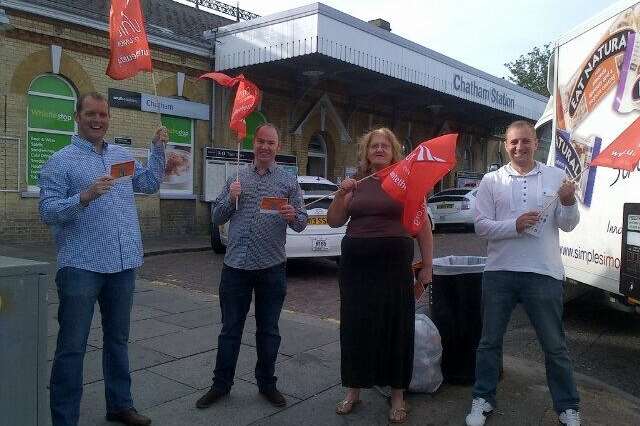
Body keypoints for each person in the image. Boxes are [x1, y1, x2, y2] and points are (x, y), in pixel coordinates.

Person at [39, 92, 167, 426]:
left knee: (117, 339)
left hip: (122, 264)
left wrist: (158, 149)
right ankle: (64, 419)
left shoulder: (121, 155)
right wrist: (84, 196)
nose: (98, 120)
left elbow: (150, 183)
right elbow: (47, 212)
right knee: (72, 346)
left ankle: (120, 405)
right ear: (77, 117)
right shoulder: (60, 162)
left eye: (103, 115)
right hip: (81, 265)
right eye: (91, 114)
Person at [465, 121, 581, 426]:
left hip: (544, 273)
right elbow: (481, 226)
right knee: (489, 342)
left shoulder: (556, 176)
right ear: (506, 144)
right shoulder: (491, 181)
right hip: (499, 272)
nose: (520, 147)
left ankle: (568, 406)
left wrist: (568, 202)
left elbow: (568, 224)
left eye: (526, 141)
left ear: (536, 143)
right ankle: (482, 399)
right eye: (514, 142)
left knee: (554, 345)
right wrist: (514, 225)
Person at [196, 123, 307, 409]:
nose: (265, 147)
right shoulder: (236, 176)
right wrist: (231, 198)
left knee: (268, 330)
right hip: (235, 268)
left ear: (278, 147)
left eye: (271, 143)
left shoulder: (288, 182)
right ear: (253, 144)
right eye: (261, 141)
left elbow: (301, 222)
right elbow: (217, 218)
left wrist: (292, 213)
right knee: (230, 330)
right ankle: (220, 385)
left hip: (271, 268)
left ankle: (267, 384)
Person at [327, 127, 433, 424]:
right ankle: (354, 389)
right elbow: (335, 221)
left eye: (385, 145)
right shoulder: (358, 183)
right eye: (374, 145)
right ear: (366, 151)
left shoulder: (405, 181)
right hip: (356, 267)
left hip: (394, 267)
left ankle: (398, 394)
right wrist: (340, 194)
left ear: (394, 151)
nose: (379, 149)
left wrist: (427, 265)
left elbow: (422, 225)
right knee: (355, 326)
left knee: (396, 326)